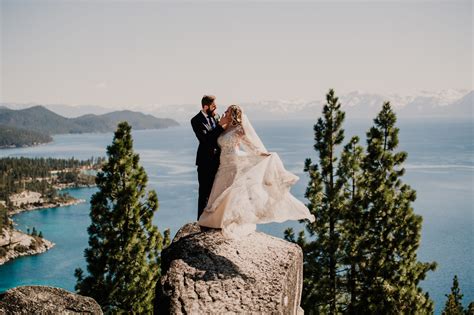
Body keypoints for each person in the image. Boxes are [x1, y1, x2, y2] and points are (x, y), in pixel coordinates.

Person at [198, 104, 315, 237]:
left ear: (234, 114)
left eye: (228, 111)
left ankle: (224, 221)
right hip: (223, 164)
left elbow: (250, 146)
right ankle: (213, 221)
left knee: (228, 192)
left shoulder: (239, 129)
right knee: (218, 191)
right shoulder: (225, 128)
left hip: (234, 163)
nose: (225, 112)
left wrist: (263, 154)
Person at [190, 95, 226, 220]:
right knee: (204, 192)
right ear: (205, 107)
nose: (216, 108)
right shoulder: (196, 120)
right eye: (213, 105)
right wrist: (220, 126)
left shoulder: (216, 117)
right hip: (205, 162)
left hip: (219, 161)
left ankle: (214, 219)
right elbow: (206, 140)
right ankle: (201, 221)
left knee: (217, 192)